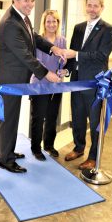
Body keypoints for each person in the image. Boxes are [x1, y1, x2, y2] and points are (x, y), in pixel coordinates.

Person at [0, 0, 67, 173]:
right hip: (10, 79)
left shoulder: (21, 19)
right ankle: (6, 160)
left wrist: (53, 48)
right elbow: (25, 55)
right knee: (9, 118)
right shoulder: (10, 23)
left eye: (32, 0)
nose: (30, 4)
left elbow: (33, 38)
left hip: (15, 78)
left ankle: (3, 151)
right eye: (26, 0)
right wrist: (46, 74)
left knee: (7, 117)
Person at [63, 0, 112, 170]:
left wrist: (76, 55)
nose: (92, 9)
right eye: (89, 5)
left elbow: (101, 55)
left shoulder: (108, 30)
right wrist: (67, 69)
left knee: (94, 122)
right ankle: (78, 148)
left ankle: (93, 156)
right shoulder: (78, 28)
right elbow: (72, 52)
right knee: (77, 117)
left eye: (96, 6)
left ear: (102, 8)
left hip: (94, 83)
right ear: (85, 6)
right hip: (76, 80)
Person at [30, 10, 67, 161]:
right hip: (40, 83)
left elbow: (64, 60)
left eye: (54, 21)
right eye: (48, 21)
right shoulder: (39, 40)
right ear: (44, 23)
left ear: (58, 23)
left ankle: (49, 145)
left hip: (57, 84)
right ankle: (36, 148)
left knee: (52, 116)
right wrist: (49, 74)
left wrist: (64, 70)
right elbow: (37, 61)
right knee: (38, 117)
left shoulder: (62, 40)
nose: (51, 24)